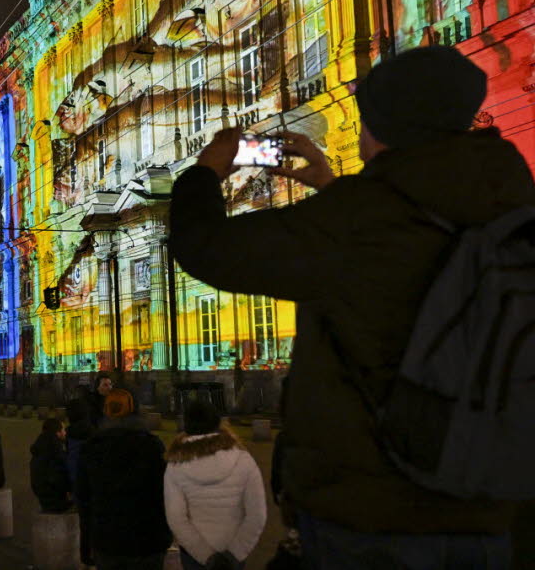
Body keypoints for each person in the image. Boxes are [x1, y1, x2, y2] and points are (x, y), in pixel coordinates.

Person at [168, 46, 530, 568]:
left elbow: (207, 249)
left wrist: (206, 171)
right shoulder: (508, 198)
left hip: (374, 512)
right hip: (486, 499)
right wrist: (332, 187)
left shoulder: (356, 220)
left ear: (380, 127)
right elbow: (401, 259)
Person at [164, 400, 266, 570]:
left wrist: (205, 556)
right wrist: (235, 553)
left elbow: (176, 518)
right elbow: (257, 514)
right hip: (232, 547)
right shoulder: (243, 459)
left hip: (194, 553)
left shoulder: (176, 464)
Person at [77, 395, 171, 569]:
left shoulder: (91, 448)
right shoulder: (152, 445)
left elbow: (83, 500)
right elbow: (164, 493)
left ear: (105, 412)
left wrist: (87, 543)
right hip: (148, 539)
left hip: (107, 539)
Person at [30, 417, 72, 513]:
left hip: (43, 497)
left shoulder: (39, 448)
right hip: (56, 499)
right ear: (57, 432)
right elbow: (61, 474)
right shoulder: (55, 449)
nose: (65, 432)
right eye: (63, 429)